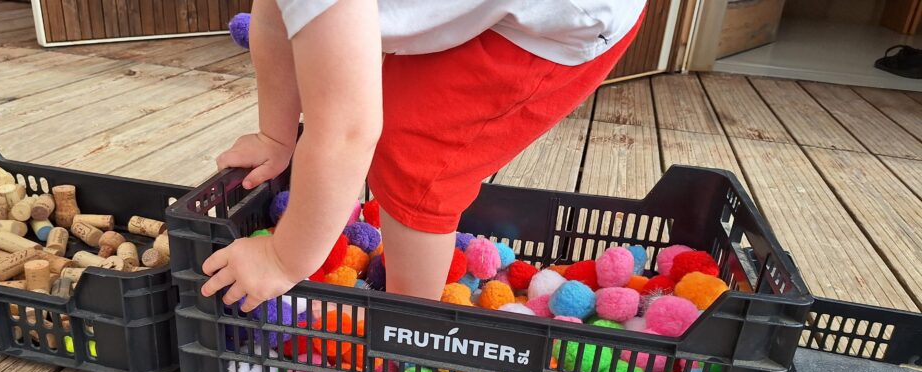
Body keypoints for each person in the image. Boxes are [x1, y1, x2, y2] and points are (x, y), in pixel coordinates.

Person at [201, 0, 646, 311]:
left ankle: (410, 326)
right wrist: (275, 136)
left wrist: (283, 258)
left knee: (412, 150)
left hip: (563, 18)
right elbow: (276, 17)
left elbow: (346, 132)